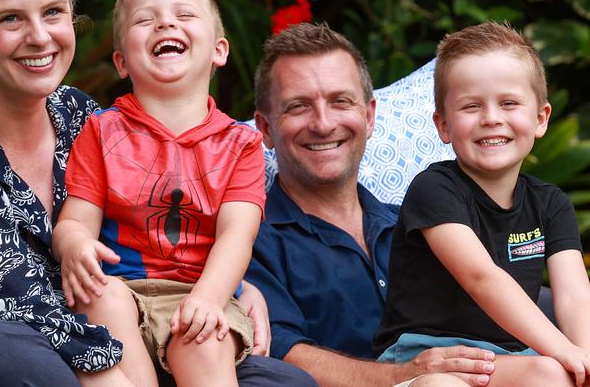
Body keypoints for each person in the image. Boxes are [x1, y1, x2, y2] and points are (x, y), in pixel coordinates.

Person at [0, 0, 315, 386]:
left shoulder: (90, 119)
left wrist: (231, 287)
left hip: (150, 333)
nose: (39, 36)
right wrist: (107, 367)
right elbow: (10, 301)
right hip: (46, 348)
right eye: (10, 19)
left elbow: (182, 233)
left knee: (289, 382)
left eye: (53, 12)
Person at [246, 22, 497, 387]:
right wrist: (402, 377)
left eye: (340, 101)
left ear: (368, 116)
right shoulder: (249, 239)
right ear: (265, 129)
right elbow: (282, 352)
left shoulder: (418, 224)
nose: (323, 123)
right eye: (298, 106)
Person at [52, 0, 264, 387]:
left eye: (184, 14)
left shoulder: (240, 144)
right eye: (145, 20)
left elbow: (236, 235)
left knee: (201, 341)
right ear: (122, 61)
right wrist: (74, 245)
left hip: (199, 290)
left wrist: (207, 298)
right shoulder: (102, 131)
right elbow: (76, 219)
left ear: (219, 50)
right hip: (122, 288)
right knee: (99, 297)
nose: (166, 25)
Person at [372, 21, 590, 386]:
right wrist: (561, 349)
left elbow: (573, 295)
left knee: (551, 374)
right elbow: (481, 278)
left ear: (540, 119)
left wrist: (583, 358)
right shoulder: (434, 189)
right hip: (425, 358)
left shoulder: (550, 203)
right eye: (471, 106)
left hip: (511, 358)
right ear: (443, 125)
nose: (491, 118)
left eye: (509, 103)